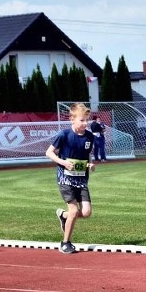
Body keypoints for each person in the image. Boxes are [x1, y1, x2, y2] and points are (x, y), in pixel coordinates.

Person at [45, 102, 97, 254]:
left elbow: (87, 154)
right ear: (72, 119)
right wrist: (63, 162)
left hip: (81, 179)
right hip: (65, 178)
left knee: (86, 212)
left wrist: (90, 164)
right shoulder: (64, 135)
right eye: (82, 120)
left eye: (87, 120)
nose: (85, 123)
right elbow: (49, 153)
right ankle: (65, 242)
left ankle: (63, 216)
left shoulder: (89, 136)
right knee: (74, 211)